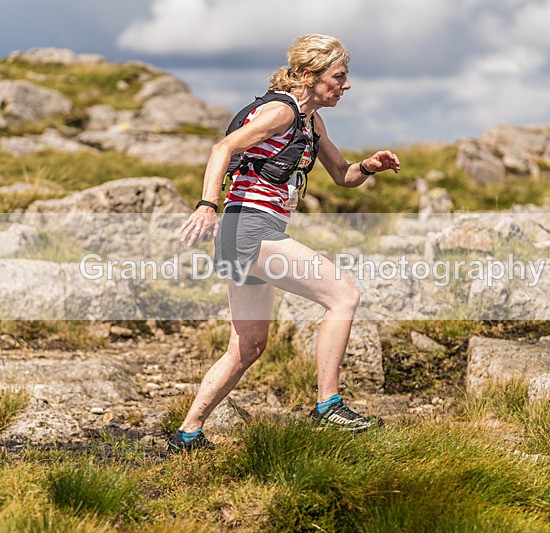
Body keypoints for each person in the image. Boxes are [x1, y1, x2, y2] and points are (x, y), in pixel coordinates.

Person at [167, 34, 401, 452]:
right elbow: (222, 148)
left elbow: (342, 175)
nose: (346, 86)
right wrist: (206, 204)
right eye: (339, 76)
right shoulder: (281, 111)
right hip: (248, 229)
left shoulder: (312, 121)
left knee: (248, 346)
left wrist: (369, 166)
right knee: (343, 295)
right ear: (310, 76)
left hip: (248, 233)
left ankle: (187, 434)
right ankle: (328, 406)